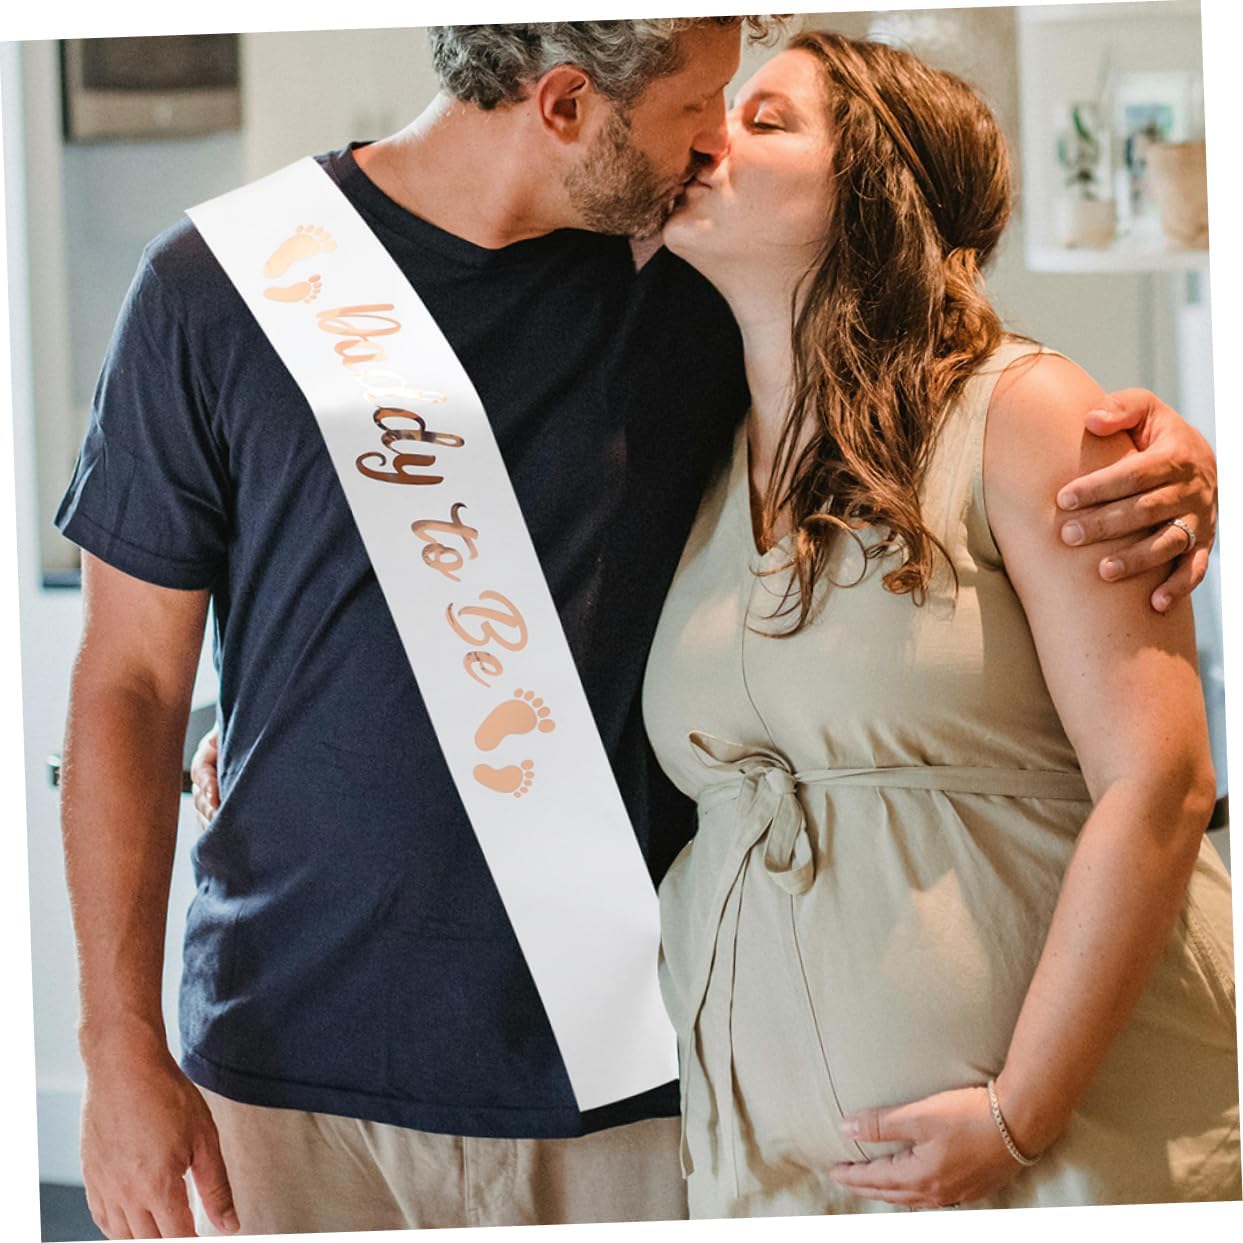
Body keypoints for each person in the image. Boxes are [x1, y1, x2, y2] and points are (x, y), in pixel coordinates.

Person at [59, 19, 1218, 1241]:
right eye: (698, 105)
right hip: (286, 1062)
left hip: (629, 1069)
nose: (712, 141)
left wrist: (1165, 455)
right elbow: (130, 683)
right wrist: (116, 1045)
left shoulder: (695, 281)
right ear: (566, 106)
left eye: (746, 111)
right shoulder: (224, 284)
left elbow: (926, 359)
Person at [643, 31, 1238, 1217]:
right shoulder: (699, 467)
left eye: (766, 121)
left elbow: (1160, 781)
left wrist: (1023, 1111)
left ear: (880, 185)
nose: (711, 138)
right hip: (779, 1168)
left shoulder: (1030, 413)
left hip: (1071, 1148)